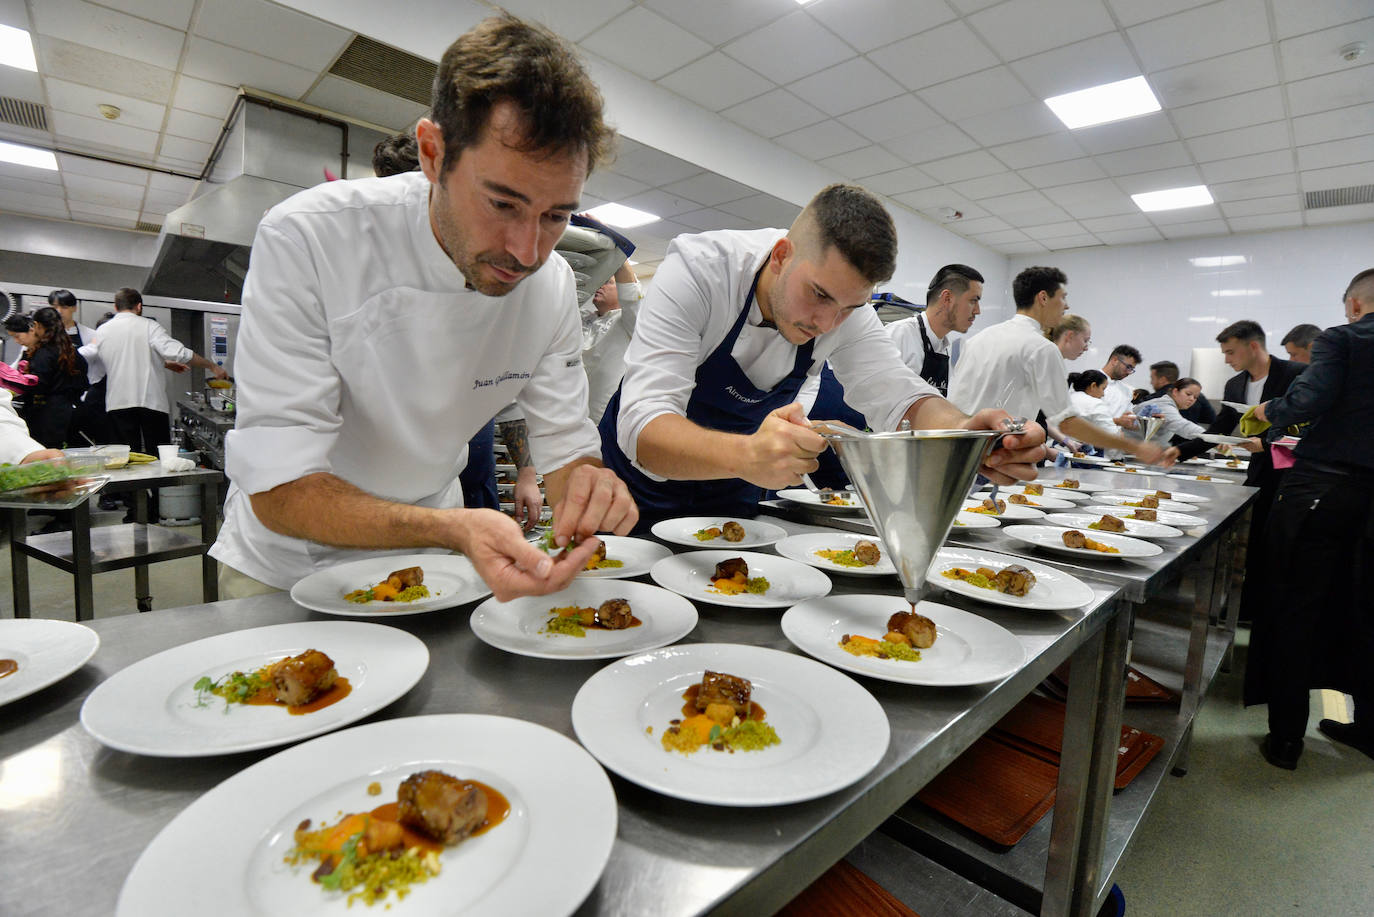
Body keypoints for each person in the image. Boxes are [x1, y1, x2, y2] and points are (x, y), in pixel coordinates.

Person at [210, 14, 635, 601]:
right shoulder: (312, 236)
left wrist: (588, 487)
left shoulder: (553, 284)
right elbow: (280, 486)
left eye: (556, 215)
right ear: (433, 154)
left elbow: (565, 440)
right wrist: (449, 530)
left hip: (439, 557)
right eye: (503, 204)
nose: (527, 250)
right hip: (288, 564)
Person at [600, 183, 1046, 530]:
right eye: (818, 295)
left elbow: (897, 393)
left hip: (733, 494)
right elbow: (644, 425)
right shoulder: (700, 269)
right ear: (780, 256)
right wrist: (746, 454)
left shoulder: (843, 310)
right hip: (636, 490)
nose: (827, 323)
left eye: (849, 308)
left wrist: (965, 432)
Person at [370, 120, 543, 532]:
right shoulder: (343, 264)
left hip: (458, 467)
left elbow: (513, 394)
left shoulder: (491, 276)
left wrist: (526, 472)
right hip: (336, 516)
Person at [1246, 269, 1374, 769]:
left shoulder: (1342, 339)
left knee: (1295, 606)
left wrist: (1268, 412)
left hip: (1324, 492)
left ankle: (1286, 739)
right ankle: (1367, 727)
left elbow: (1309, 399)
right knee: (1367, 610)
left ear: (1357, 305)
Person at [948, 266, 1164, 466]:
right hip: (994, 459)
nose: (1066, 306)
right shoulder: (1041, 348)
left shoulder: (979, 338)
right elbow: (1067, 423)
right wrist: (1134, 446)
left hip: (953, 452)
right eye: (1063, 298)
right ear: (1043, 298)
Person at [797, 262, 984, 486]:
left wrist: (966, 433)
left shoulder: (944, 348)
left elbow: (906, 399)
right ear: (947, 298)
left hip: (909, 461)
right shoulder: (900, 334)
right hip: (873, 459)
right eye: (973, 300)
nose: (978, 311)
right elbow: (879, 408)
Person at [1171, 319, 1306, 626]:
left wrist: (1268, 442)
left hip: (1292, 476)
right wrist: (1179, 452)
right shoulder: (1235, 385)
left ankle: (1277, 613)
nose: (1227, 360)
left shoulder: (1295, 375)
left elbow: (1309, 426)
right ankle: (1246, 608)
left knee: (1283, 546)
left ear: (1253, 346)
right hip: (1259, 473)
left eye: (1231, 352)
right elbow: (1219, 429)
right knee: (1255, 541)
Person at [80, 288, 226, 455]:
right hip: (151, 403)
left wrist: (163, 363)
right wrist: (212, 366)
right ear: (139, 306)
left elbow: (117, 357)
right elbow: (180, 353)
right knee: (158, 457)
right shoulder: (149, 326)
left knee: (126, 458)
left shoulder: (103, 331)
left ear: (116, 307)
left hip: (118, 404)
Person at [3, 308, 88, 448]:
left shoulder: (44, 353)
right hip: (69, 411)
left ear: (36, 326)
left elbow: (38, 384)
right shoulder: (70, 349)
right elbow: (83, 381)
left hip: (47, 415)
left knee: (48, 456)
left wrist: (18, 383)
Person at [584, 262, 642, 423]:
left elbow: (632, 299)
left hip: (605, 421)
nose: (600, 286)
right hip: (572, 417)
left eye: (608, 282)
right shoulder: (584, 320)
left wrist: (619, 258)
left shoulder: (628, 321)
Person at [1135, 358, 1215, 424]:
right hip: (1190, 441)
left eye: (1152, 378)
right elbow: (1211, 420)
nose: (1151, 382)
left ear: (1162, 380)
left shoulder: (1153, 400)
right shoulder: (1199, 397)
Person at [1135, 378, 1206, 443]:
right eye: (1188, 394)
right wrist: (1210, 437)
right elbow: (1182, 426)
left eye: (1195, 397)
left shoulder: (1167, 405)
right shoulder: (1164, 406)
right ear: (1175, 391)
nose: (1191, 399)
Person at [1099, 345, 1141, 429]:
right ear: (1114, 360)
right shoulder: (1088, 380)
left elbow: (1131, 422)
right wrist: (1117, 421)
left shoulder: (1127, 391)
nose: (1129, 372)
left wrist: (1146, 419)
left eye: (1132, 369)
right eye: (1128, 367)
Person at [1066, 370, 1117, 438]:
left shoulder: (1069, 397)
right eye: (1103, 389)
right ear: (1093, 386)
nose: (1103, 394)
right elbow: (1113, 435)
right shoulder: (1095, 403)